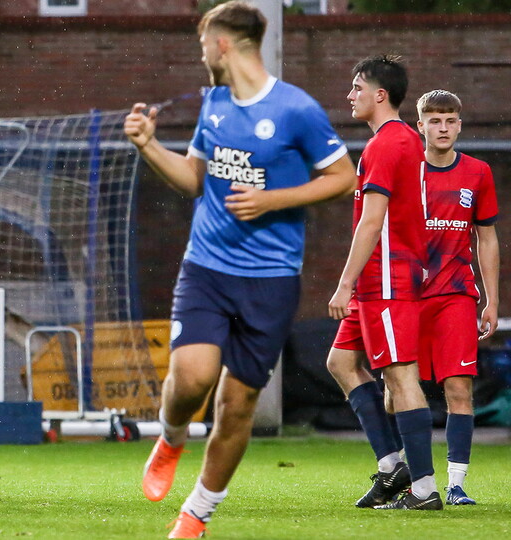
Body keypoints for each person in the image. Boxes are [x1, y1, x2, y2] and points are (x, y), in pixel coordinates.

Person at [124, 2, 356, 537]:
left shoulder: (297, 109)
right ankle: (171, 436)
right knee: (193, 379)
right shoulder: (215, 104)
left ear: (222, 44)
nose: (200, 52)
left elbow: (343, 177)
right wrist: (148, 145)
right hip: (206, 267)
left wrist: (273, 199)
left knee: (237, 401)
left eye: (203, 43)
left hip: (272, 278)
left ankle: (197, 512)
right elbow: (193, 180)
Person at [327, 55, 442, 510]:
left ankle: (425, 489)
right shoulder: (400, 140)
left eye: (356, 87)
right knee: (340, 362)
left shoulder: (387, 144)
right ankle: (394, 465)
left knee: (400, 376)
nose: (349, 95)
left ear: (380, 94)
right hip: (382, 280)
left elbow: (372, 222)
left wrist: (344, 283)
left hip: (387, 280)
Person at [413, 89, 500, 505]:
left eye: (449, 120)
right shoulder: (405, 172)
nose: (442, 127)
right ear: (421, 127)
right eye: (434, 120)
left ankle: (456, 483)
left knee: (458, 389)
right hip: (406, 298)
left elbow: (487, 237)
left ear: (460, 125)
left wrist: (492, 300)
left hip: (457, 296)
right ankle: (411, 479)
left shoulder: (478, 172)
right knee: (398, 389)